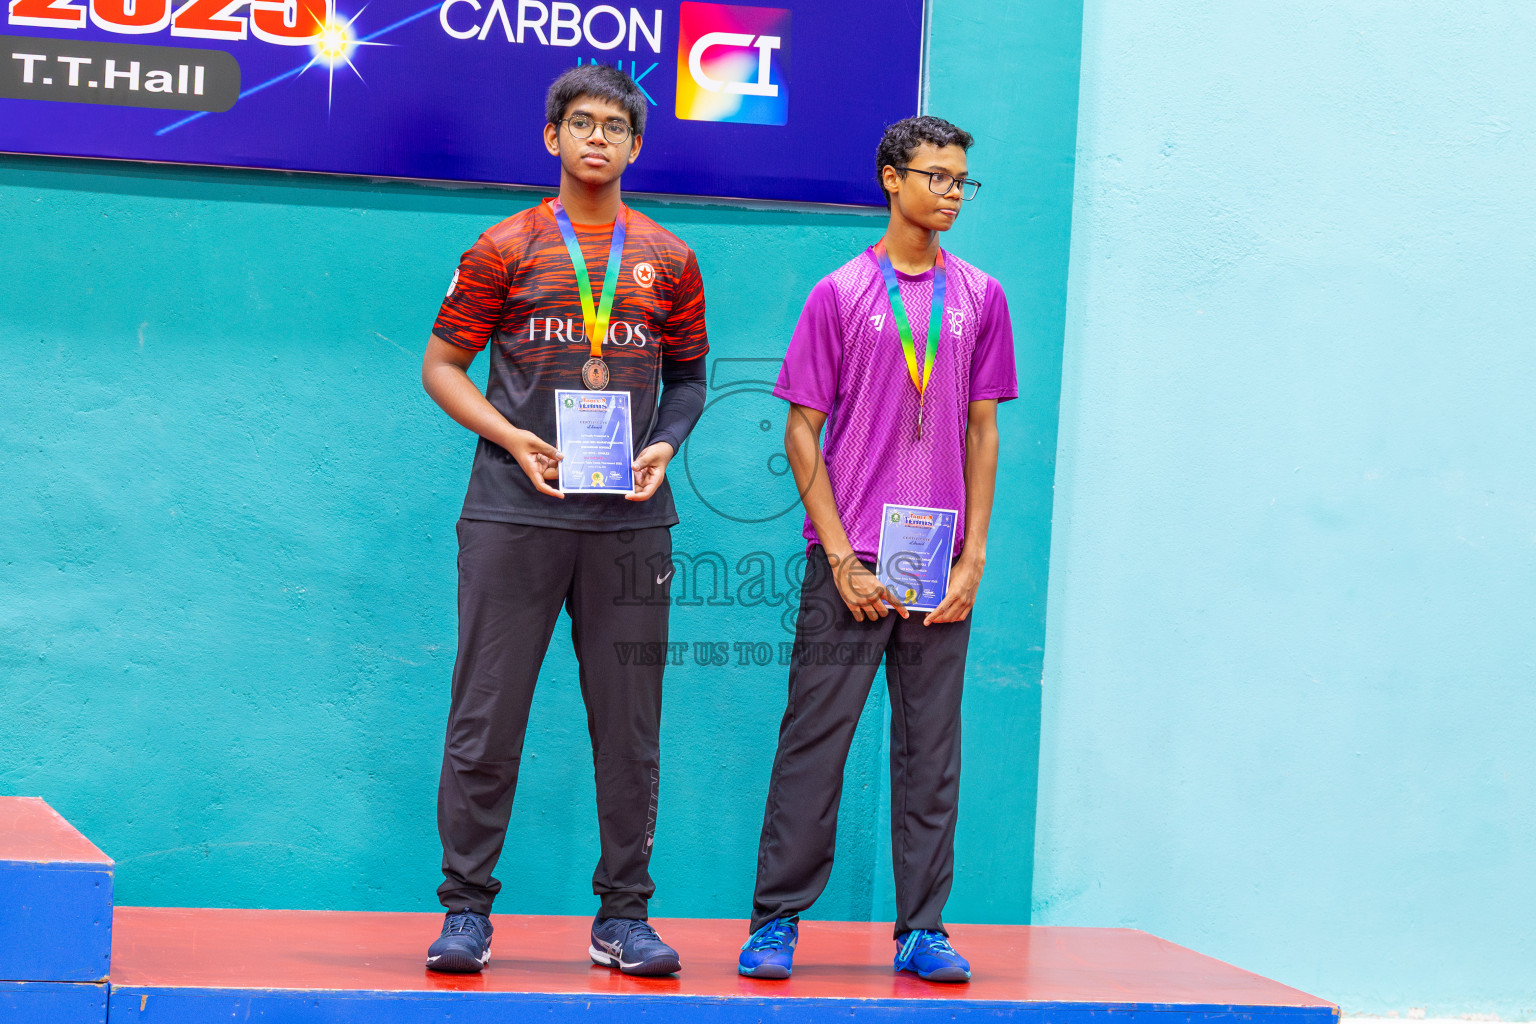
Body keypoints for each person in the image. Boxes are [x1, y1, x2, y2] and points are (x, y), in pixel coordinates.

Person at [419, 65, 709, 977]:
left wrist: (663, 444)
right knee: (485, 719)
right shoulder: (504, 246)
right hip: (513, 513)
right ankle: (466, 911)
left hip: (630, 523)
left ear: (634, 146)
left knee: (630, 729)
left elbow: (692, 378)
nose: (596, 139)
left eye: (614, 127)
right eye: (579, 124)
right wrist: (512, 436)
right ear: (553, 138)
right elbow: (441, 367)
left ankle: (623, 918)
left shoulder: (668, 258)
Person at [737, 116, 1016, 983]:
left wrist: (972, 557)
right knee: (814, 742)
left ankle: (923, 929)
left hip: (938, 562)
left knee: (932, 750)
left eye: (962, 180)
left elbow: (980, 431)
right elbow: (800, 432)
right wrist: (840, 555)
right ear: (891, 179)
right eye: (936, 176)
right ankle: (776, 920)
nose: (951, 193)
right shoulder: (841, 294)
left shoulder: (982, 297)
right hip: (850, 559)